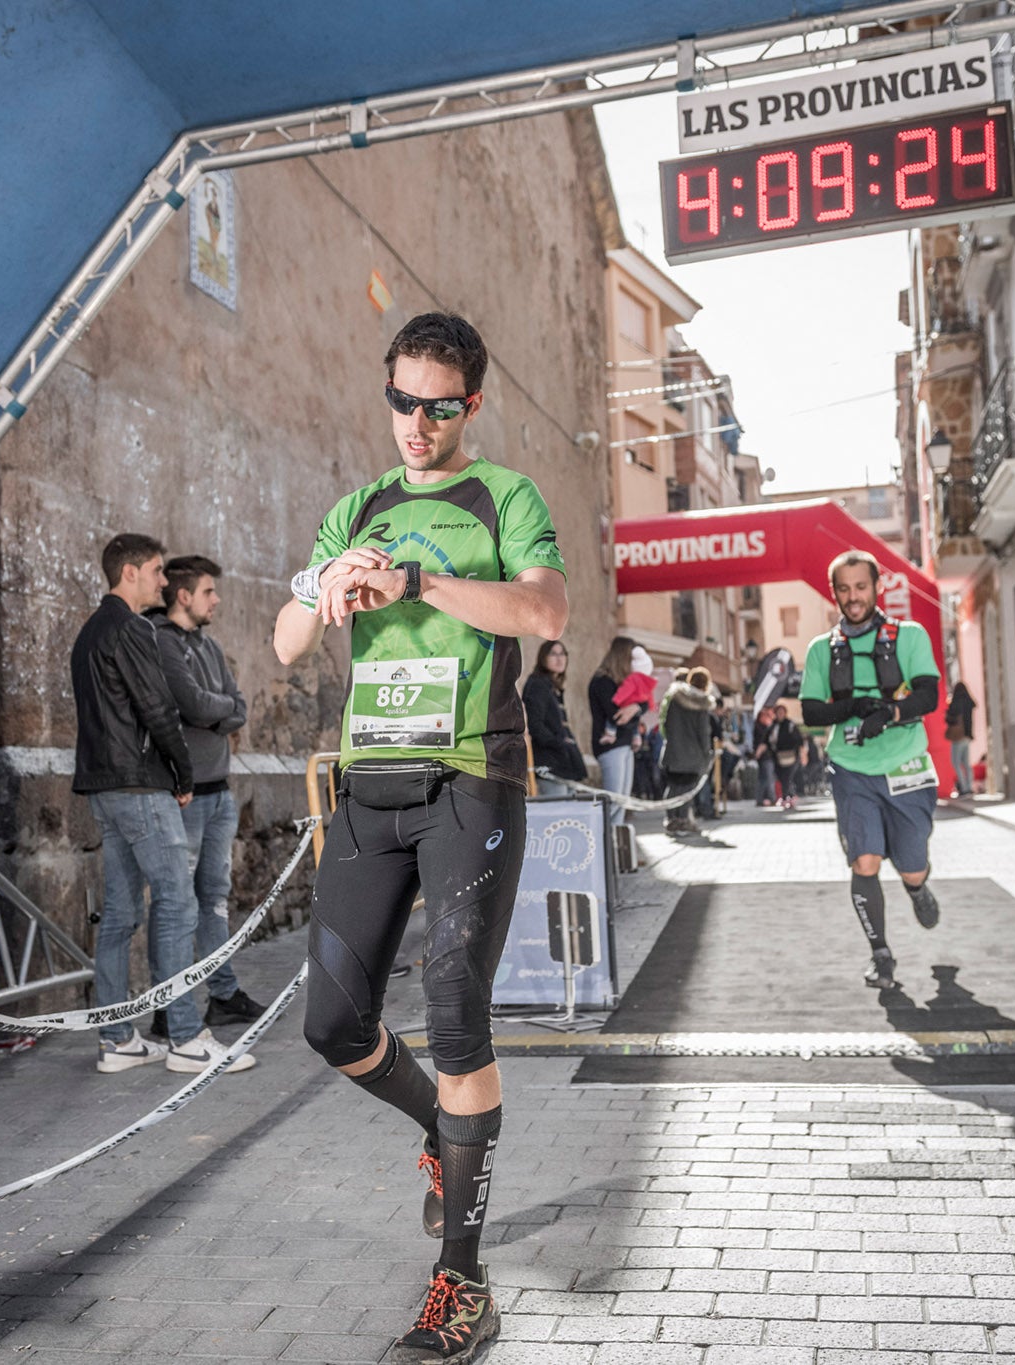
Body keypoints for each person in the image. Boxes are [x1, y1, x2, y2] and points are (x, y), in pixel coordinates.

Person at [274, 310, 568, 1362]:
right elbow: (285, 639)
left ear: (468, 406)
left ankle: (462, 1281)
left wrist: (418, 581)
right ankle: (443, 1144)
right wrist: (330, 582)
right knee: (331, 1024)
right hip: (369, 787)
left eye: (434, 406)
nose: (412, 422)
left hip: (470, 781)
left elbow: (542, 616)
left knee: (453, 1013)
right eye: (399, 400)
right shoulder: (356, 505)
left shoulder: (504, 498)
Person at [73, 534, 255, 1078]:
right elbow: (156, 707)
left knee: (121, 915)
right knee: (178, 901)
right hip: (140, 786)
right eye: (155, 571)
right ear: (129, 573)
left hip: (104, 788)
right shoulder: (132, 628)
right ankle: (185, 1038)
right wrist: (180, 769)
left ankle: (117, 1040)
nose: (161, 581)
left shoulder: (90, 632)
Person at [799, 550, 942, 988]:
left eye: (860, 587)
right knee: (864, 862)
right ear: (834, 593)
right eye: (844, 589)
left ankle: (917, 888)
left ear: (876, 587)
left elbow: (929, 695)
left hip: (906, 765)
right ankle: (881, 955)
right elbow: (810, 712)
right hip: (850, 768)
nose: (853, 597)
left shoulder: (910, 635)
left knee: (912, 865)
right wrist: (853, 708)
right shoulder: (822, 649)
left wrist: (891, 714)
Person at [149, 555, 267, 1031]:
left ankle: (223, 994)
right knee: (176, 901)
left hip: (220, 794)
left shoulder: (210, 647)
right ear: (184, 596)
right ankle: (167, 1008)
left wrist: (215, 710)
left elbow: (237, 706)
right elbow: (192, 703)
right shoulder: (162, 643)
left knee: (214, 897)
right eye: (208, 592)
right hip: (185, 795)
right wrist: (216, 711)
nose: (216, 600)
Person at [586, 636, 643, 825]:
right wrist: (635, 710)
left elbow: (641, 705)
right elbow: (616, 716)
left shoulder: (621, 684)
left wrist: (635, 708)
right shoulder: (603, 682)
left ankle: (614, 847)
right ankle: (605, 848)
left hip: (625, 745)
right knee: (613, 801)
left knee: (622, 802)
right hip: (610, 747)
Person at [522, 640, 587, 797]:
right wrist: (558, 743)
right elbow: (535, 724)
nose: (560, 659)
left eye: (563, 654)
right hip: (549, 762)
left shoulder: (552, 686)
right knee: (557, 812)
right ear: (543, 658)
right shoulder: (537, 685)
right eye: (553, 654)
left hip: (561, 762)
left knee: (568, 811)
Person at [659, 665, 716, 834]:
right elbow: (703, 733)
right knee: (686, 791)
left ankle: (671, 819)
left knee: (673, 787)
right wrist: (707, 754)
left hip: (673, 752)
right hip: (693, 756)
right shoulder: (702, 704)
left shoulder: (673, 698)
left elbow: (665, 723)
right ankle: (683, 820)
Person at [944, 682, 978, 797]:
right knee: (966, 764)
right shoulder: (968, 702)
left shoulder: (956, 702)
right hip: (967, 735)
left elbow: (950, 718)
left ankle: (964, 788)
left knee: (956, 762)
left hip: (958, 737)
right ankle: (969, 786)